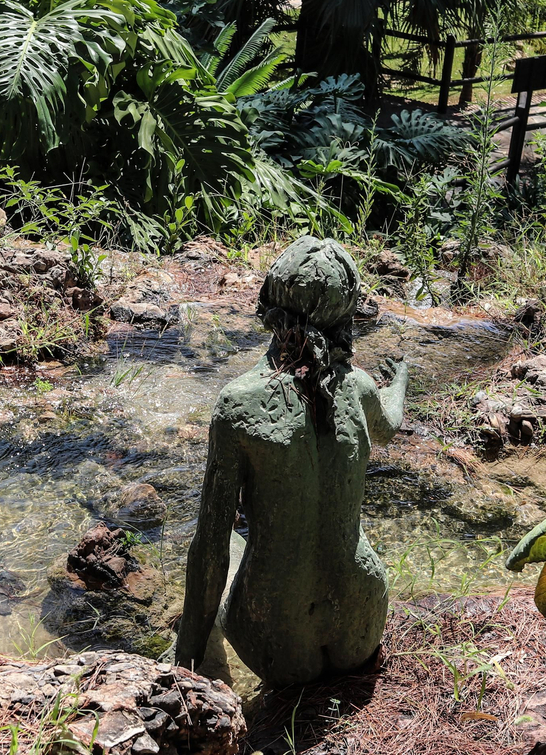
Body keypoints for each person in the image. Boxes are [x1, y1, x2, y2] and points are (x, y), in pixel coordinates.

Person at [172, 236, 406, 688]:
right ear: (348, 313)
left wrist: (183, 666)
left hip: (277, 644)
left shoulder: (238, 403)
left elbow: (210, 550)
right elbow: (390, 424)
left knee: (226, 542)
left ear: (269, 305)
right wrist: (400, 380)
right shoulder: (361, 387)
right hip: (361, 627)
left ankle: (201, 664)